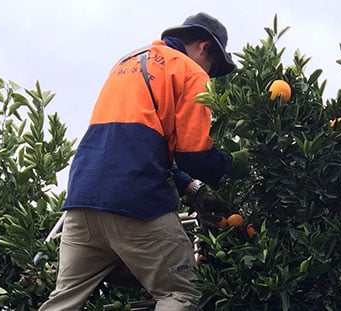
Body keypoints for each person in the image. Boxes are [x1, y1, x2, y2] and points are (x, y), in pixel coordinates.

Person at [39, 12, 239, 311]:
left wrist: (192, 189)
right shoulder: (188, 70)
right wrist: (235, 165)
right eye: (213, 69)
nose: (209, 77)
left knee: (63, 302)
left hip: (82, 201)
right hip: (135, 202)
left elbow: (136, 143)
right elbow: (194, 157)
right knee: (181, 293)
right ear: (204, 47)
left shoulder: (128, 61)